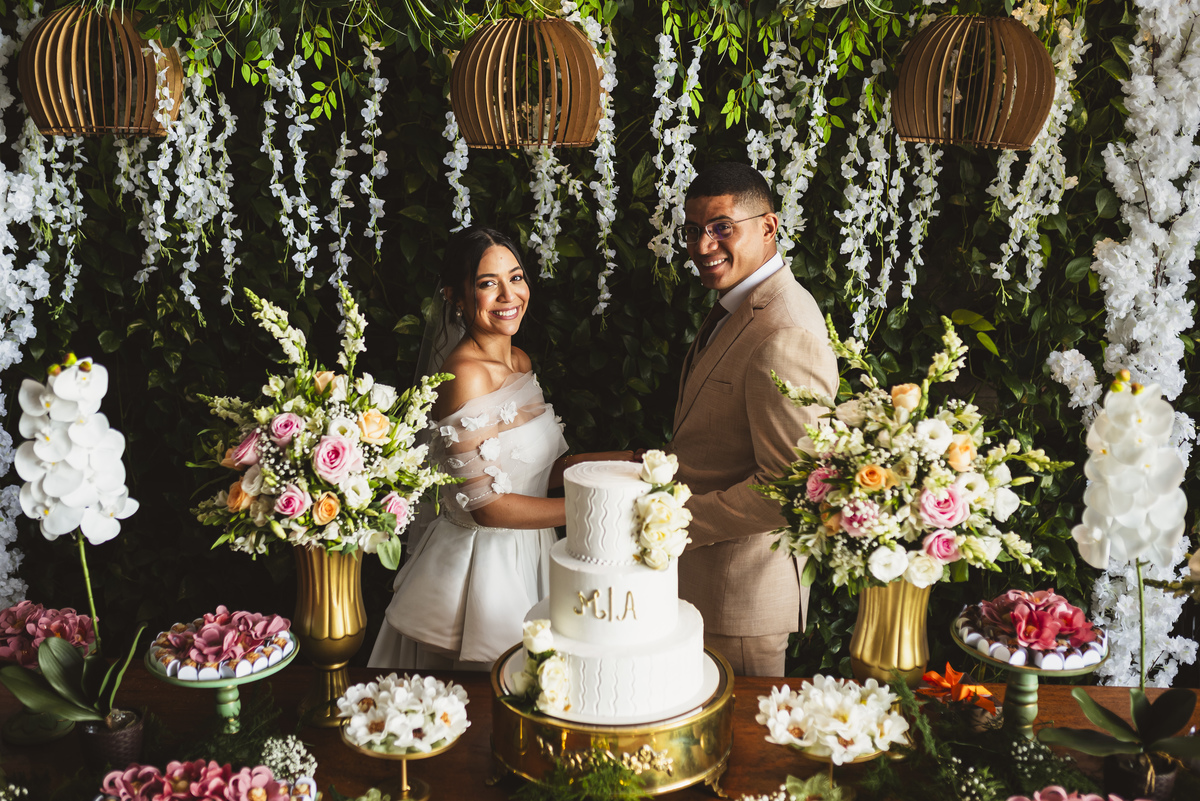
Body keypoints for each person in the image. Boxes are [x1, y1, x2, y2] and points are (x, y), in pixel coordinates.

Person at [369, 227, 627, 671]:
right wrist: (595, 505)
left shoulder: (520, 360)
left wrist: (626, 463)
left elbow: (536, 468)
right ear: (456, 297)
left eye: (516, 277)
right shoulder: (464, 375)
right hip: (483, 569)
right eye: (488, 284)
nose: (509, 295)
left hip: (536, 553)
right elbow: (487, 506)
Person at [667, 162, 838, 677]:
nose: (702, 245)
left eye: (722, 227)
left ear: (768, 227)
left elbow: (791, 488)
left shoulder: (785, 331)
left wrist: (671, 523)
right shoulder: (739, 303)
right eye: (694, 230)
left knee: (740, 751)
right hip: (708, 585)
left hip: (740, 597)